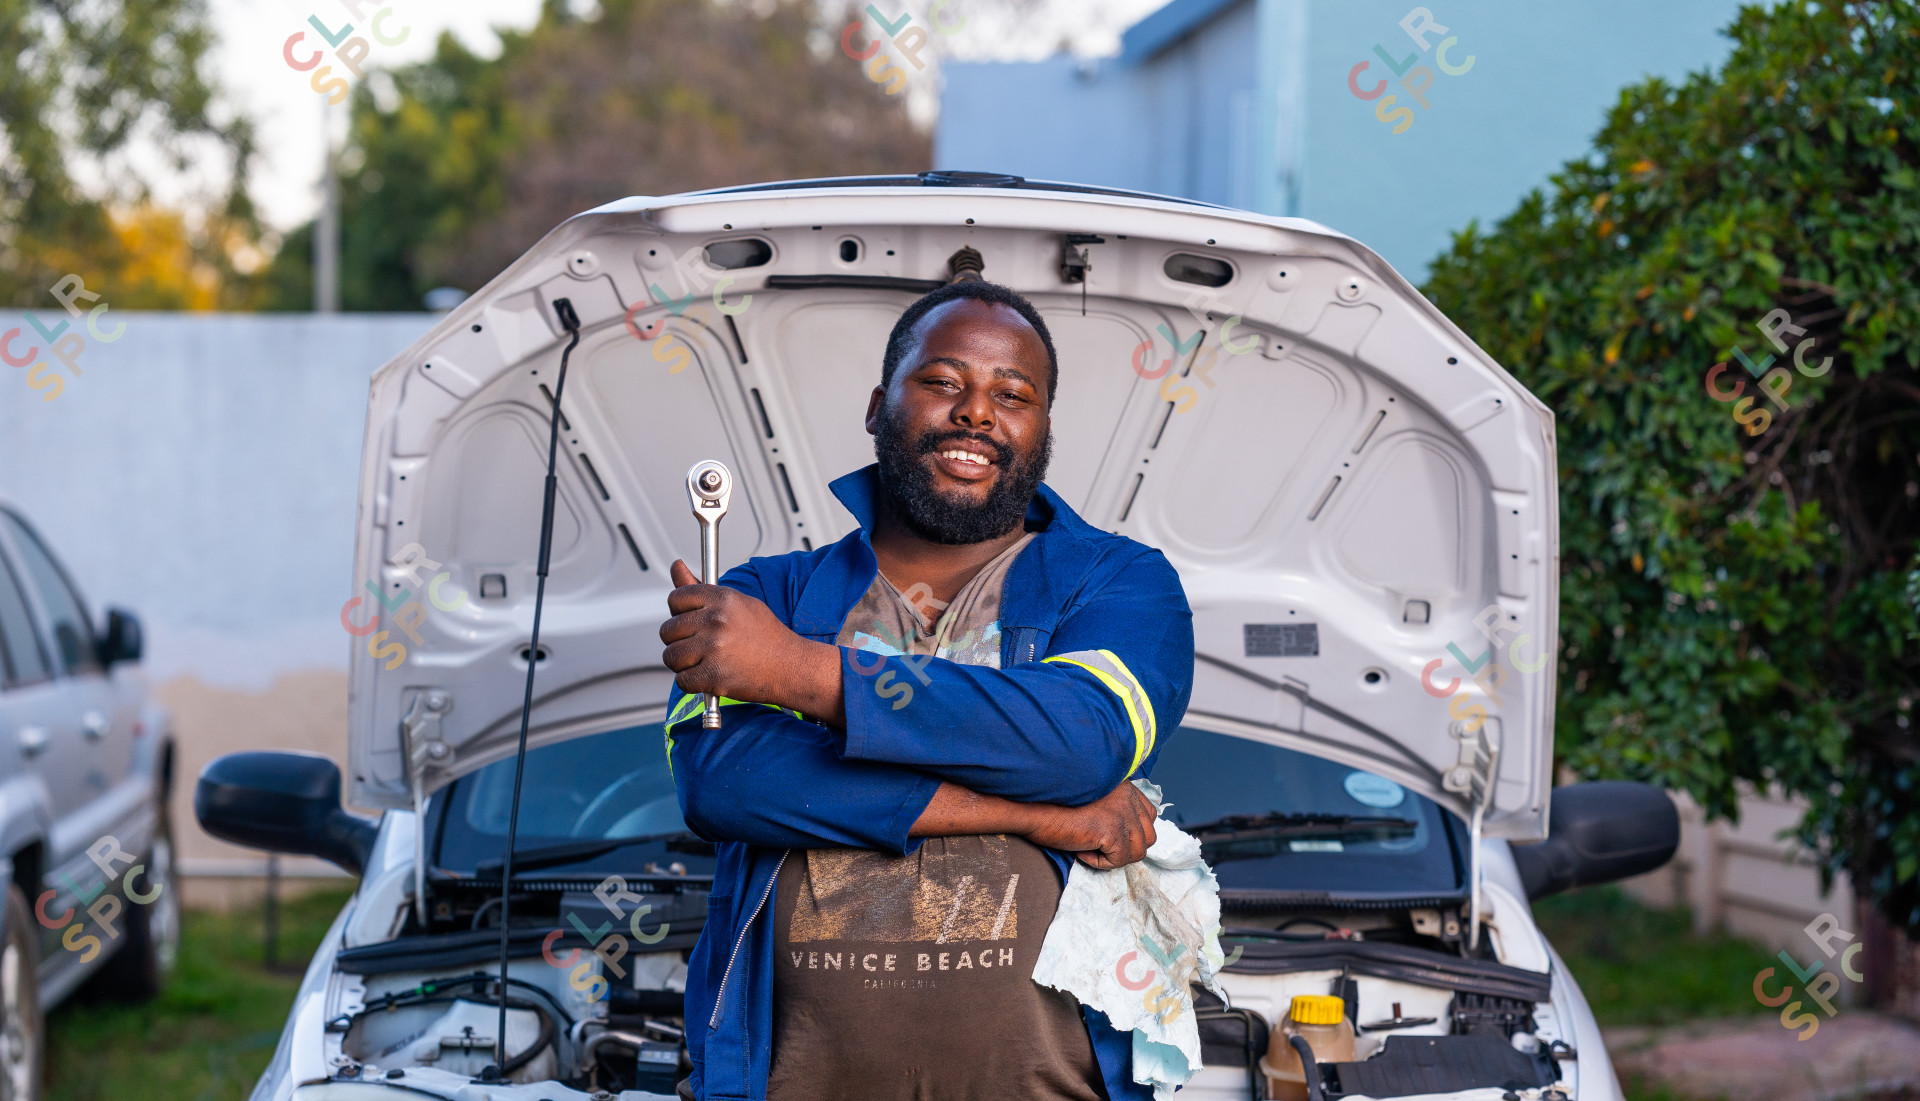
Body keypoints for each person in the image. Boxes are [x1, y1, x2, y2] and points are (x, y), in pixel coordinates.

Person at [659, 279, 1195, 1101]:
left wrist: (800, 674)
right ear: (878, 406)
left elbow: (1079, 739)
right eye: (943, 382)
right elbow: (724, 783)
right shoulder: (768, 594)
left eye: (1013, 395)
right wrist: (1038, 811)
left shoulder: (1121, 582)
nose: (978, 412)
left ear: (1043, 429)